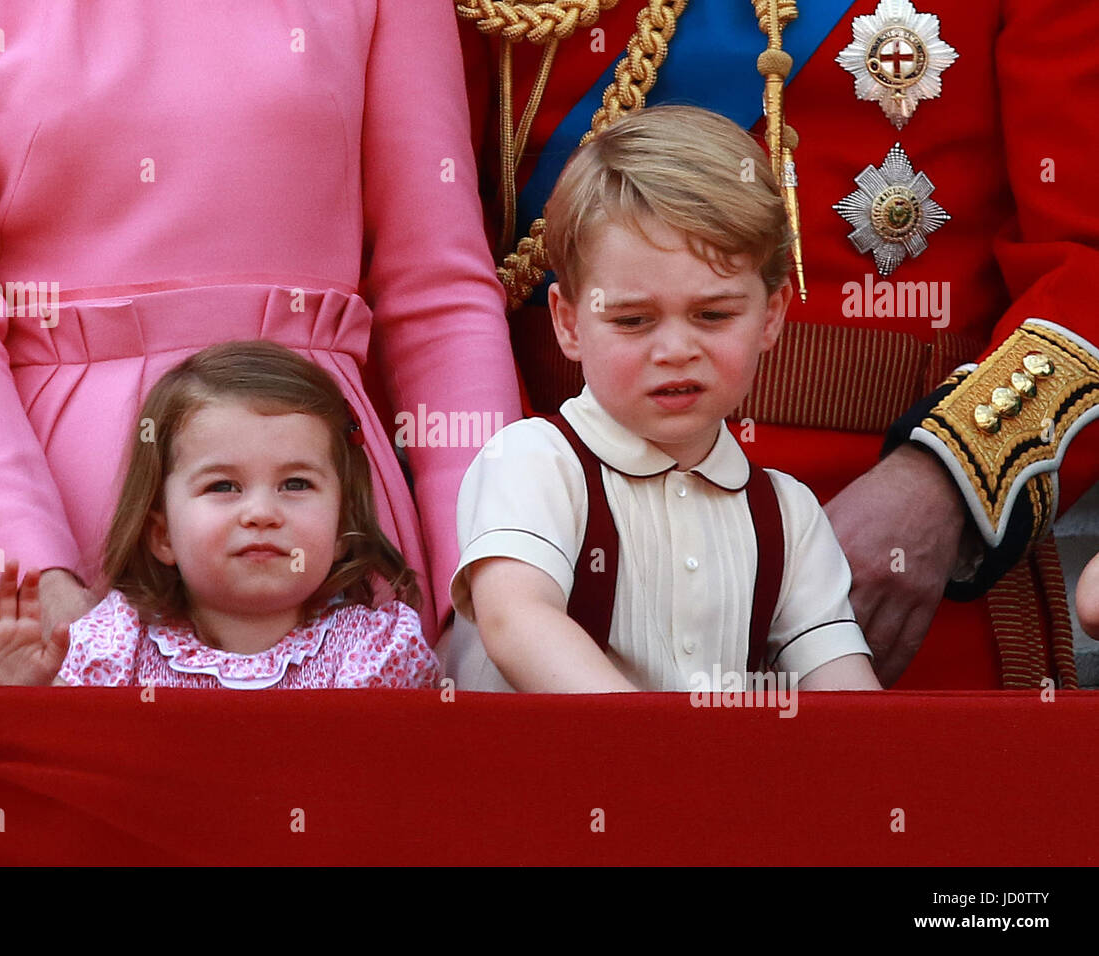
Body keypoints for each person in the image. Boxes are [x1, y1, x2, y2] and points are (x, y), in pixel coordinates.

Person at [0, 1, 521, 685]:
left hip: (323, 527)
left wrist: (491, 581)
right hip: (51, 511)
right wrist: (35, 567)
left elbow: (439, 295)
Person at [456, 0, 1099, 689]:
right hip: (574, 528)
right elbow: (431, 268)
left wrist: (948, 479)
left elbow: (1085, 267)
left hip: (909, 551)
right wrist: (528, 495)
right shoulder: (531, 474)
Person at [443, 106, 881, 692]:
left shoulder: (788, 514)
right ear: (569, 324)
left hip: (711, 785)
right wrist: (659, 762)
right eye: (633, 319)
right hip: (533, 783)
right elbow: (515, 617)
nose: (676, 349)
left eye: (713, 314)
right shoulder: (531, 462)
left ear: (771, 316)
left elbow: (845, 699)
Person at [0, 342, 439, 689]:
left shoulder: (377, 654)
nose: (262, 513)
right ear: (161, 535)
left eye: (295, 484)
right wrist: (19, 698)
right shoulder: (112, 651)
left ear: (339, 532)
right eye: (223, 486)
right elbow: (68, 789)